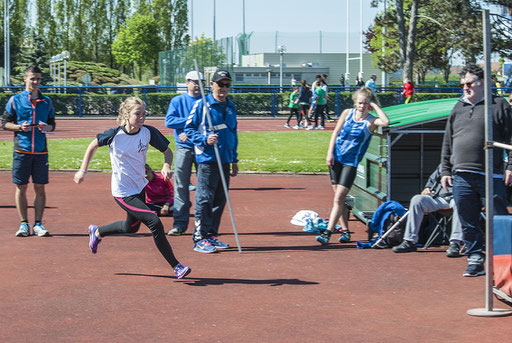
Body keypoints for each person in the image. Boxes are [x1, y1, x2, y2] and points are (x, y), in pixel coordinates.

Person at [73, 97, 191, 279]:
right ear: (126, 115)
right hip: (122, 192)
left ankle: (97, 232)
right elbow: (93, 145)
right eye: (138, 114)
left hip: (139, 187)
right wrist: (83, 170)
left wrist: (167, 165)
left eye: (144, 114)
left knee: (131, 227)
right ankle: (176, 266)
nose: (142, 118)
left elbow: (168, 152)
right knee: (154, 222)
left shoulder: (148, 133)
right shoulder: (114, 135)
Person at [441, 64, 512, 277]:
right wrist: (445, 169)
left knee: (498, 217)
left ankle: (504, 262)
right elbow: (448, 141)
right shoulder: (458, 107)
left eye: (469, 83)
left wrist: (510, 166)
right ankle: (474, 258)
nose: (465, 87)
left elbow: (510, 138)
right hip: (461, 174)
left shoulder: (499, 105)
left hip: (491, 173)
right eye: (462, 84)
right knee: (467, 217)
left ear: (483, 83)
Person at [316, 87, 389, 245]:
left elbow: (385, 121)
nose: (362, 106)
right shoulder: (347, 113)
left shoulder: (371, 121)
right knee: (339, 198)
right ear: (355, 102)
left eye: (365, 103)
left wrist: (375, 106)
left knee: (339, 198)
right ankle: (346, 231)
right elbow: (335, 132)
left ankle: (327, 233)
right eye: (360, 103)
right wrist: (329, 153)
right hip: (337, 159)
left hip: (351, 162)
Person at [185, 69, 238, 254]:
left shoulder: (230, 107)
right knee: (204, 199)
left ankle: (211, 235)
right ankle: (199, 238)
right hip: (207, 159)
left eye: (227, 85)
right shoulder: (202, 105)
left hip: (224, 159)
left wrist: (234, 159)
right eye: (220, 84)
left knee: (219, 200)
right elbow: (188, 129)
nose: (223, 88)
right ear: (212, 85)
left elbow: (233, 133)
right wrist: (204, 139)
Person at [1, 65, 55, 237]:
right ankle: (24, 224)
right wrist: (18, 127)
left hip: (40, 152)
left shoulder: (47, 102)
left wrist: (47, 127)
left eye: (38, 79)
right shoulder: (15, 100)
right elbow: (4, 123)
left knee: (40, 187)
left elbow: (52, 125)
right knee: (21, 187)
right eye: (32, 78)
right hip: (22, 150)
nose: (35, 82)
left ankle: (38, 224)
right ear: (25, 79)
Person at [392, 164, 464, 257]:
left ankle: (455, 243)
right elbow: (430, 183)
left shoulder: (468, 164)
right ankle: (410, 241)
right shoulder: (444, 164)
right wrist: (427, 189)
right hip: (440, 198)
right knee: (417, 199)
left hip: (459, 198)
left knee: (459, 202)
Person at [164, 71, 204, 236]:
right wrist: (189, 120)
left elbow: (208, 121)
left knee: (204, 188)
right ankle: (180, 224)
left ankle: (203, 226)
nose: (196, 85)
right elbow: (169, 121)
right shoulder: (177, 100)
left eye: (199, 82)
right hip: (183, 147)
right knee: (181, 186)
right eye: (193, 82)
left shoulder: (206, 102)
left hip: (202, 147)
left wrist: (192, 130)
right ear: (187, 83)